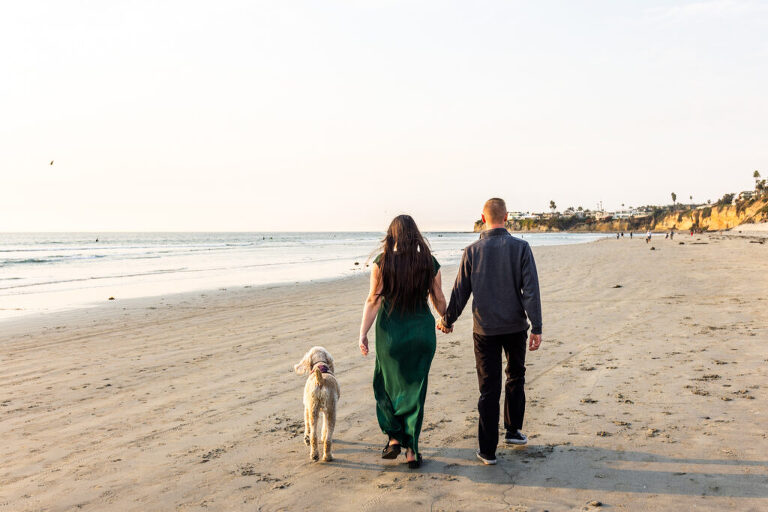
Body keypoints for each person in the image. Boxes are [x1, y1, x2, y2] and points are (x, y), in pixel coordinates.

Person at [437, 198, 542, 466]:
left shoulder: (472, 251)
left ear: (483, 219)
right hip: (516, 325)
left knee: (488, 388)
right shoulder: (521, 248)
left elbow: (460, 291)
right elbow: (530, 290)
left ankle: (488, 451)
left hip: (484, 329)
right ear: (506, 217)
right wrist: (537, 326)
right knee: (516, 376)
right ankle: (513, 431)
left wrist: (448, 320)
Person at [358, 215, 446, 469]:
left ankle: (395, 437)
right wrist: (446, 320)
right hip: (421, 335)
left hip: (391, 336)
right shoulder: (428, 263)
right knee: (415, 392)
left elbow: (373, 300)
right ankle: (412, 451)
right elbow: (438, 298)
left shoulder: (382, 263)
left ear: (392, 235)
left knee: (384, 385)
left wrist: (362, 333)